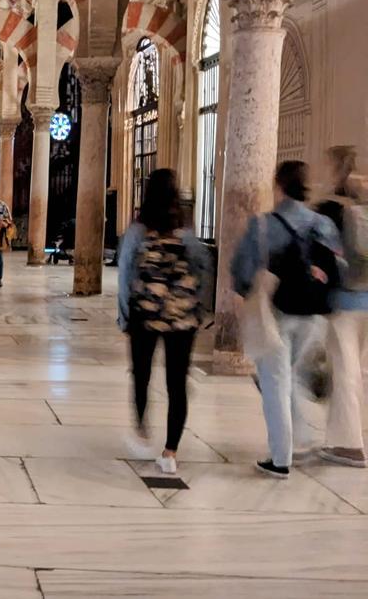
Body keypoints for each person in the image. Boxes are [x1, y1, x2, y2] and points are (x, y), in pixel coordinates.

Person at [232, 160, 341, 479]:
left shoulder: (263, 225)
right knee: (290, 376)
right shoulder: (323, 224)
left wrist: (243, 292)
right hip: (312, 316)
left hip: (276, 314)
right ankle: (301, 437)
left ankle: (281, 458)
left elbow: (242, 269)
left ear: (277, 185)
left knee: (275, 383)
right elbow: (337, 267)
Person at [117, 169, 211, 474]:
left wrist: (124, 314)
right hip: (182, 318)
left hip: (146, 314)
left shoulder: (138, 230)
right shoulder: (185, 230)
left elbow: (126, 274)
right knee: (177, 384)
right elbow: (203, 268)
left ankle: (142, 429)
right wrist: (199, 309)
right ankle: (170, 452)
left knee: (141, 374)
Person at [314, 145, 367, 468]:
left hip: (345, 300)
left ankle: (348, 445)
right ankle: (348, 438)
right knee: (358, 371)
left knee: (344, 372)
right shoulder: (360, 206)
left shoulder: (338, 210)